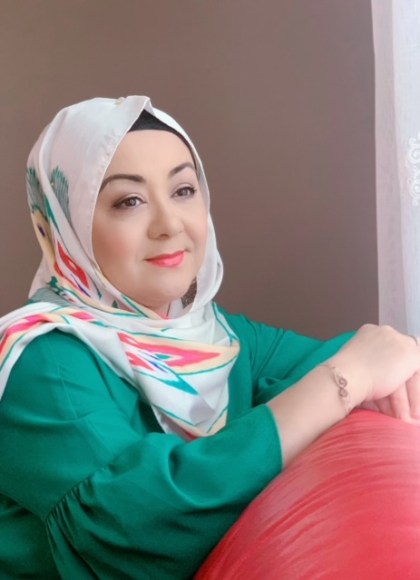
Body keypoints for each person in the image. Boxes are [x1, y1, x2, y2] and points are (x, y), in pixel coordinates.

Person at [0, 96, 419, 579]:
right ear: (57, 229)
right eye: (129, 201)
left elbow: (352, 359)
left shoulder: (218, 338)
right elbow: (139, 526)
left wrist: (393, 354)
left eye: (183, 190)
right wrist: (345, 379)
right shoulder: (43, 359)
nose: (169, 225)